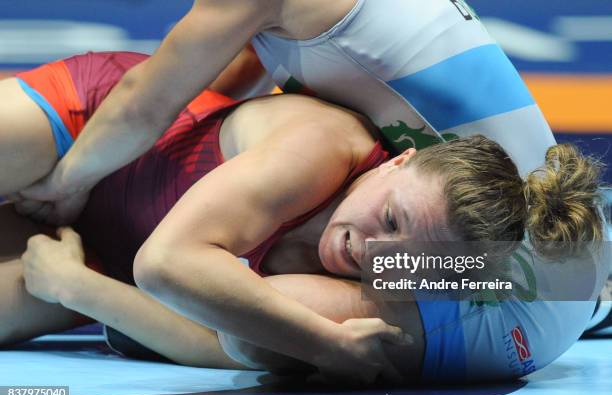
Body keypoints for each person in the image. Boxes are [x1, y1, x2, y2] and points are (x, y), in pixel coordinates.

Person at [1, 52, 606, 384]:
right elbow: (164, 266)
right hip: (90, 137)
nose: (371, 251)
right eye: (390, 219)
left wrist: (79, 289)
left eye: (404, 260)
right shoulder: (321, 145)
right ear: (394, 164)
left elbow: (219, 342)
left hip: (95, 259)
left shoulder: (368, 291)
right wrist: (328, 346)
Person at [15, 0, 556, 225]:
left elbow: (144, 101)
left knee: (218, 294)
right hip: (551, 251)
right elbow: (234, 66)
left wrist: (67, 183)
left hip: (485, 264)